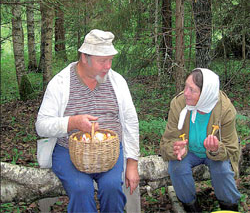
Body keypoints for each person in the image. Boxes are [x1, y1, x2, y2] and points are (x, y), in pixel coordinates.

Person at [35, 29, 140, 213]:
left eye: (110, 60)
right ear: (84, 57)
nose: (108, 66)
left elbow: (131, 122)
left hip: (110, 151)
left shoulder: (117, 82)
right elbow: (41, 126)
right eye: (102, 61)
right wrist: (72, 123)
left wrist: (132, 163)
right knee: (81, 189)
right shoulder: (60, 83)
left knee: (112, 188)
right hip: (69, 151)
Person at [160, 68, 241, 212]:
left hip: (214, 154)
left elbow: (232, 148)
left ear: (205, 94)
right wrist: (175, 148)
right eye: (186, 86)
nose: (186, 93)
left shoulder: (225, 110)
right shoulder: (179, 104)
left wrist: (217, 149)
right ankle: (191, 207)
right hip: (189, 151)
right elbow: (167, 141)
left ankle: (229, 207)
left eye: (192, 90)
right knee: (177, 168)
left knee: (222, 170)